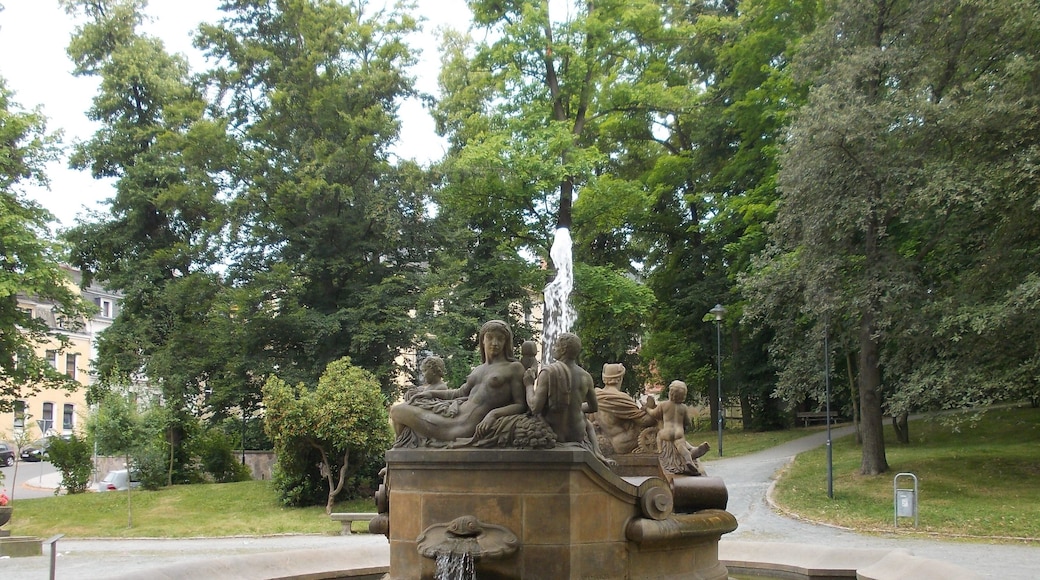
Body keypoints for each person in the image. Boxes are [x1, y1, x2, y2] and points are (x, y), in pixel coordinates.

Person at [390, 320, 527, 446]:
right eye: (490, 337)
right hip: (452, 415)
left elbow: (521, 405)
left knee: (397, 411)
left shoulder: (513, 368)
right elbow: (459, 393)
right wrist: (429, 393)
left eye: (500, 339)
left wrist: (493, 414)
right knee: (403, 407)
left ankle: (398, 461)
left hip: (462, 426)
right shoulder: (478, 370)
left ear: (506, 342)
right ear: (482, 340)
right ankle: (398, 457)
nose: (495, 343)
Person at [590, 363, 658, 455]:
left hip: (604, 441)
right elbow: (645, 421)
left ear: (604, 378)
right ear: (619, 378)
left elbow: (591, 421)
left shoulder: (596, 396)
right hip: (622, 443)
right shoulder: (621, 398)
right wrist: (652, 409)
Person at [644, 380, 710, 475]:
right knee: (681, 447)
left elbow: (654, 414)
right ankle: (689, 460)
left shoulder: (664, 405)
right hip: (679, 432)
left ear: (670, 393)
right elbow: (687, 422)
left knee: (659, 435)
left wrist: (646, 408)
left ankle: (660, 450)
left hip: (667, 432)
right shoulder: (683, 407)